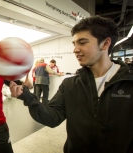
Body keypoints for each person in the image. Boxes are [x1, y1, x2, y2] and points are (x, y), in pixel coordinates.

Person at [9, 16, 133, 153]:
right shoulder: (70, 85)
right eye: (74, 43)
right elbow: (52, 118)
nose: (75, 49)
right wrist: (27, 96)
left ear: (105, 43)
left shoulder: (129, 84)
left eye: (82, 42)